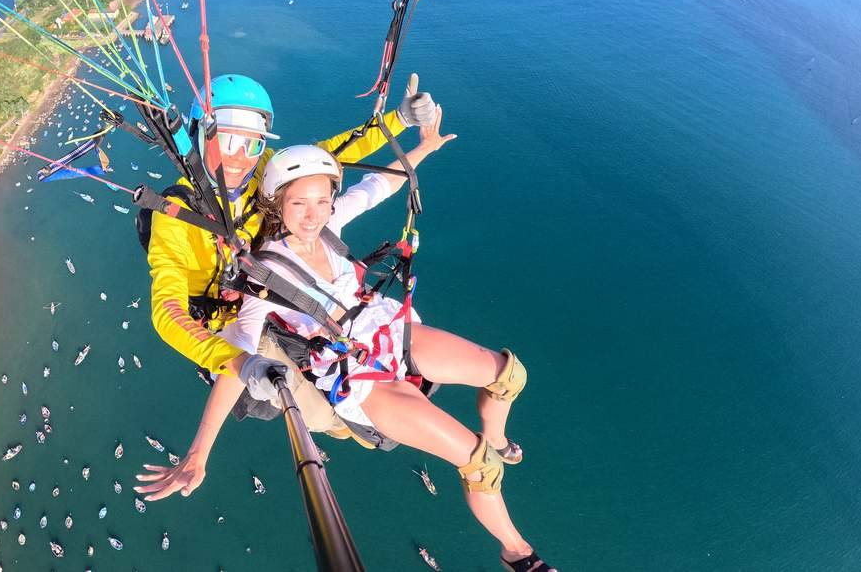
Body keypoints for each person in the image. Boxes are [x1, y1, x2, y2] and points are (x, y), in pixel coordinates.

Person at [136, 109, 557, 572]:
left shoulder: (330, 226)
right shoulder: (265, 274)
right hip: (356, 376)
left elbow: (377, 186)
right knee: (480, 466)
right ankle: (517, 552)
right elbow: (241, 354)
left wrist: (422, 147)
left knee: (508, 373)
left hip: (385, 330)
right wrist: (200, 452)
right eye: (299, 205)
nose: (314, 215)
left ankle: (495, 435)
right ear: (277, 205)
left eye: (322, 201)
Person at [146, 73, 436, 377]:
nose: (239, 157)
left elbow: (332, 154)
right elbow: (168, 307)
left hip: (278, 293)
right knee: (274, 394)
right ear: (198, 135)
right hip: (231, 324)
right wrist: (233, 361)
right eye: (227, 140)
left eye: (252, 144)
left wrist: (399, 119)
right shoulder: (175, 214)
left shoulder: (265, 171)